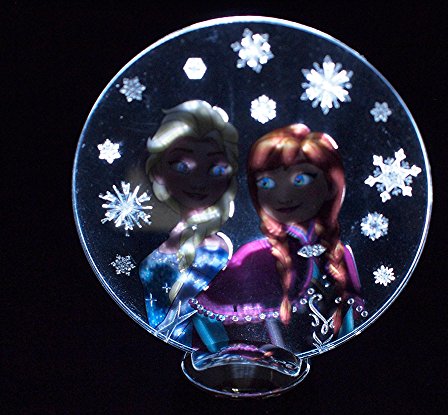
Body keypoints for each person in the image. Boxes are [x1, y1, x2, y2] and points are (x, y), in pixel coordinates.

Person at [190, 124, 363, 353]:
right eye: (266, 183)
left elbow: (349, 327)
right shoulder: (254, 256)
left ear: (331, 184)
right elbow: (204, 316)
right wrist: (235, 359)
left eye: (300, 179)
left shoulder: (341, 254)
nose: (282, 195)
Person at [139, 100, 238, 353]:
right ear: (158, 171)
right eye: (182, 166)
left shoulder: (216, 249)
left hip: (192, 355)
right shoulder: (154, 237)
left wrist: (221, 359)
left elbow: (206, 319)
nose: (199, 181)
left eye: (216, 168)